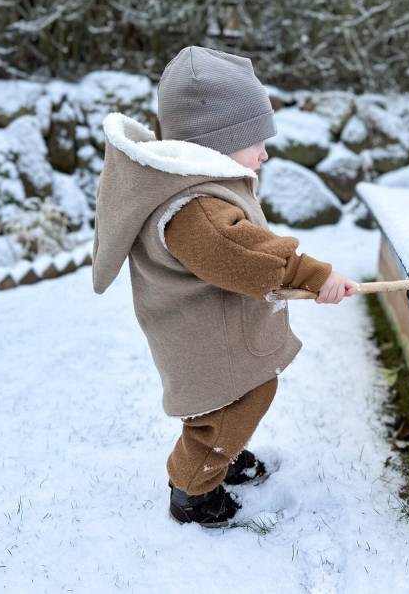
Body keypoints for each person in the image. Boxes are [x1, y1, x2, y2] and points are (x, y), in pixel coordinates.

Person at [91, 45, 358, 527]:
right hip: (206, 339)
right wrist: (313, 276)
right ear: (215, 140)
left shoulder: (197, 184)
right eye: (255, 138)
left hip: (216, 330)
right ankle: (193, 490)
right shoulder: (193, 208)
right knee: (224, 410)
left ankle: (223, 458)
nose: (265, 151)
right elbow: (243, 254)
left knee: (237, 402)